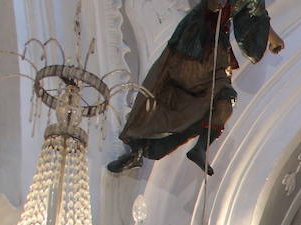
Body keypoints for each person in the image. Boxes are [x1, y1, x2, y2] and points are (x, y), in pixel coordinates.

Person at [108, 0, 283, 176]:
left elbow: (256, 15)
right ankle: (138, 150)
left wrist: (273, 39)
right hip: (193, 42)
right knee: (165, 96)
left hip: (217, 50)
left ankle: (201, 148)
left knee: (225, 101)